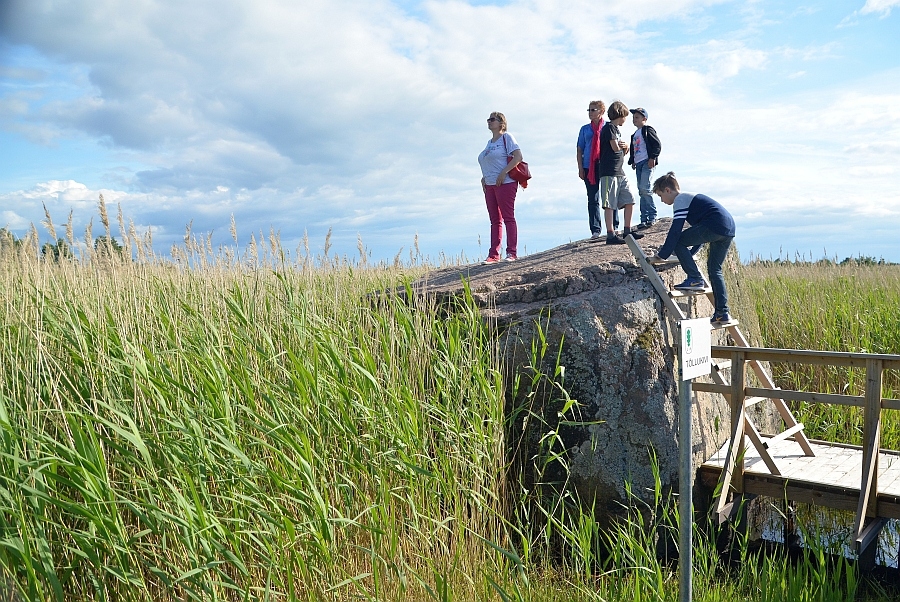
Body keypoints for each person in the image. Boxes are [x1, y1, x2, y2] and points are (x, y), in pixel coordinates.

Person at [647, 172, 735, 325]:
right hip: (728, 228)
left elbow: (676, 230)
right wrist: (689, 254)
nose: (662, 200)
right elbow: (699, 233)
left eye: (661, 195)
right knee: (715, 269)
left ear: (668, 190)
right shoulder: (691, 199)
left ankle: (694, 279)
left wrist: (663, 254)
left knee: (678, 240)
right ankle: (723, 313)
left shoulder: (680, 200)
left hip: (715, 225)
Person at [478, 111, 523, 264]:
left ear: (501, 123)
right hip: (489, 185)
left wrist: (504, 172)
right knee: (495, 220)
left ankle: (512, 252)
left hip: (506, 183)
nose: (489, 122)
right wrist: (484, 177)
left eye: (492, 119)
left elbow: (518, 157)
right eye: (488, 119)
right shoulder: (489, 143)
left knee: (508, 217)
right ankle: (493, 254)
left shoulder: (507, 137)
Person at [598, 101, 643, 245]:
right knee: (609, 203)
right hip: (608, 171)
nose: (626, 119)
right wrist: (623, 147)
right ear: (620, 114)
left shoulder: (615, 129)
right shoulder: (609, 128)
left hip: (619, 171)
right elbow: (615, 148)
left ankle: (627, 230)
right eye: (625, 116)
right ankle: (610, 234)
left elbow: (618, 152)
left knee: (629, 199)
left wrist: (625, 149)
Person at [576, 100, 618, 238]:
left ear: (601, 111)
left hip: (605, 164)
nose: (590, 113)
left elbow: (617, 144)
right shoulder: (584, 129)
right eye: (589, 110)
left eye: (593, 110)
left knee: (609, 196)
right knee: (592, 198)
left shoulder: (608, 126)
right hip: (589, 166)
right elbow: (579, 149)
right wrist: (580, 167)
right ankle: (595, 229)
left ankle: (614, 226)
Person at [627, 107, 662, 229]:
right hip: (639, 163)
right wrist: (632, 161)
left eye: (637, 117)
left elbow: (657, 145)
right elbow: (634, 150)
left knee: (645, 188)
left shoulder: (647, 130)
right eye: (633, 117)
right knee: (641, 190)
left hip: (647, 162)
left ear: (644, 119)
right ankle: (644, 218)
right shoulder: (634, 134)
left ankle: (652, 216)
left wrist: (653, 157)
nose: (634, 120)